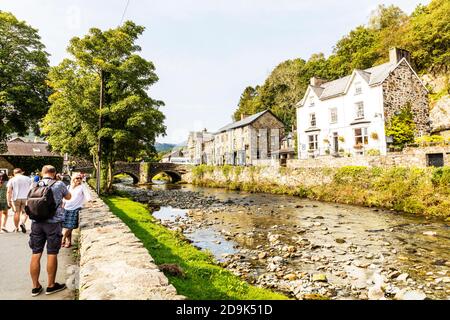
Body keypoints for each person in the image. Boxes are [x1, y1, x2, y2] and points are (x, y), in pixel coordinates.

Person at [28, 165, 71, 297]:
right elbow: (68, 197)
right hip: (53, 223)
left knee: (36, 253)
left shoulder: (35, 183)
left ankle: (35, 287)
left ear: (42, 173)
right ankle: (51, 286)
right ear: (54, 173)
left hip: (36, 223)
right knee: (52, 253)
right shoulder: (59, 184)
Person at [62, 174, 91, 248]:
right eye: (77, 178)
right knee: (66, 227)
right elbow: (64, 198)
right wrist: (62, 206)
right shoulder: (68, 187)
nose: (79, 179)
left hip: (75, 208)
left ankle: (62, 239)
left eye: (80, 178)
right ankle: (68, 242)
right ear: (73, 179)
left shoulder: (82, 187)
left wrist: (90, 202)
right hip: (66, 208)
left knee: (70, 226)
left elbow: (88, 196)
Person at [6, 168, 32, 233]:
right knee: (25, 212)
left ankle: (16, 227)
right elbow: (32, 189)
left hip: (16, 198)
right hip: (26, 198)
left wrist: (8, 201)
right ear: (21, 172)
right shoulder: (28, 179)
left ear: (14, 173)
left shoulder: (12, 179)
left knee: (16, 212)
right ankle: (22, 222)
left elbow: (9, 191)